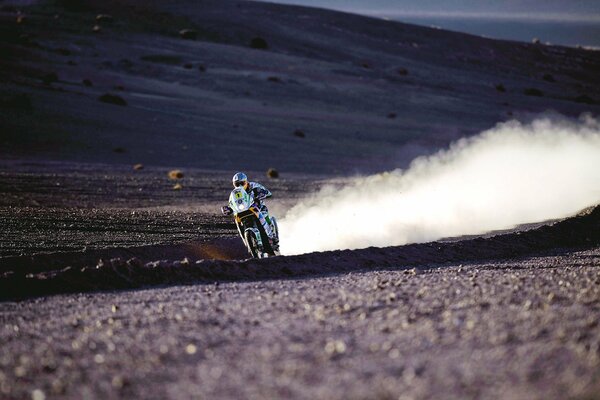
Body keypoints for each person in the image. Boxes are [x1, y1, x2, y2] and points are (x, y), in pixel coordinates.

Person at [230, 172, 279, 251]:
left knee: (263, 213)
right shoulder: (234, 193)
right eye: (237, 184)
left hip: (257, 207)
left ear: (246, 182)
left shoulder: (254, 185)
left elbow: (268, 193)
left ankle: (272, 235)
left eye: (242, 183)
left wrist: (263, 193)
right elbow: (231, 203)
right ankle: (246, 241)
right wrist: (228, 208)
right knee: (236, 220)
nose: (240, 186)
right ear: (234, 184)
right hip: (242, 210)